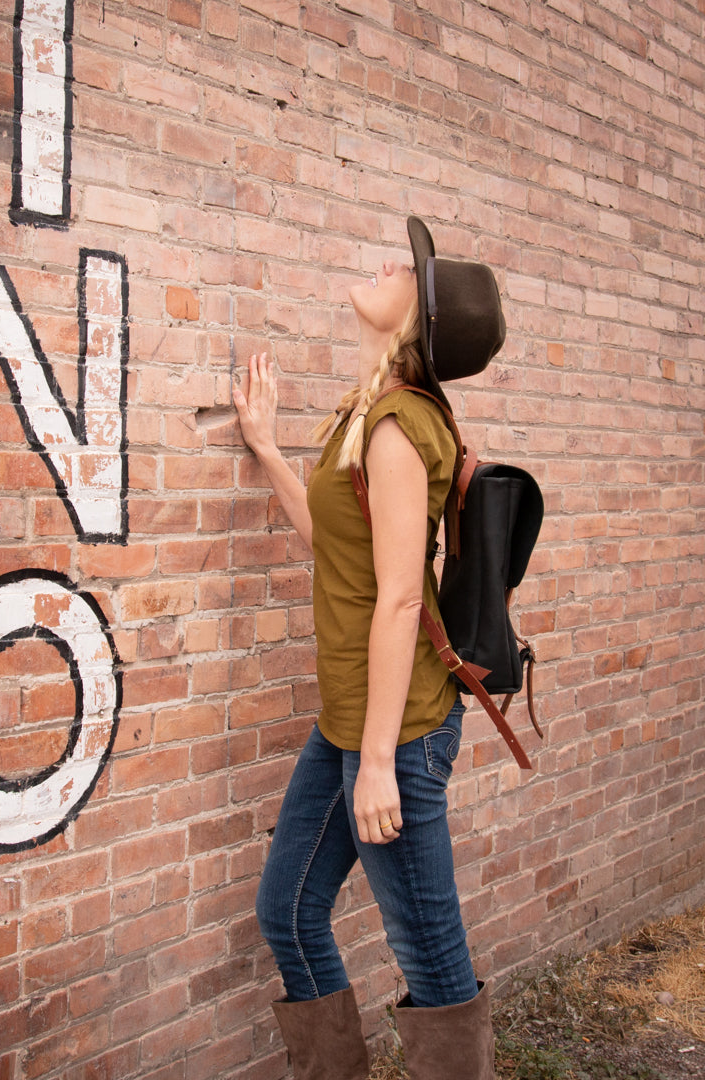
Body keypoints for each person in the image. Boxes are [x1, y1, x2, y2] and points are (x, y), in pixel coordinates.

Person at [232, 217, 507, 1080]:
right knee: (288, 913)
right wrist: (268, 449)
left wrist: (380, 762)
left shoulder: (396, 426)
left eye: (408, 271)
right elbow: (340, 549)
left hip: (398, 733)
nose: (391, 263)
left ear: (418, 319)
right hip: (350, 721)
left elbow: (398, 598)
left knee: (429, 955)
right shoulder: (369, 414)